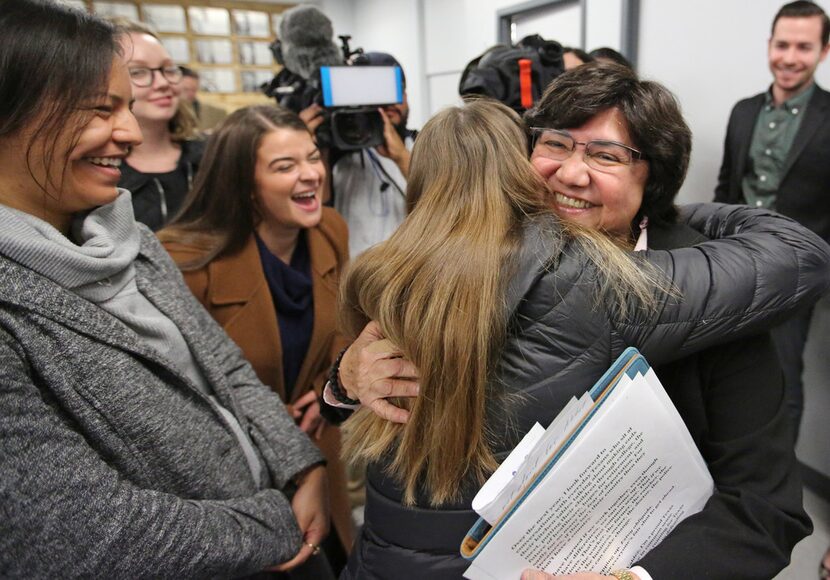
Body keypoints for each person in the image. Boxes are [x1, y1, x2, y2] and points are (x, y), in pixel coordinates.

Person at [324, 95, 829, 579]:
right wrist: (345, 379)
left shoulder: (707, 305)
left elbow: (763, 510)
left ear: (651, 178)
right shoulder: (479, 273)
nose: (570, 173)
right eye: (555, 145)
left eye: (606, 155)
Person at [0, 2, 327, 577]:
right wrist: (277, 521)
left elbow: (223, 368)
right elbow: (85, 535)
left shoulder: (132, 239)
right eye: (102, 110)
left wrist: (302, 465)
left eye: (126, 108)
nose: (128, 133)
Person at [158, 105, 354, 575]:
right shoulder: (183, 261)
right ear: (243, 184)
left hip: (318, 450)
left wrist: (331, 384)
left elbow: (345, 324)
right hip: (233, 476)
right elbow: (172, 390)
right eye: (285, 167)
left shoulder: (330, 229)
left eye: (312, 157)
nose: (311, 175)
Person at [715, 0, 830, 442]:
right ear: (769, 45)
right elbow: (727, 188)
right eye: (782, 44)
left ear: (822, 52)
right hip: (736, 263)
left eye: (804, 46)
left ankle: (777, 496)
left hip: (797, 275)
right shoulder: (744, 111)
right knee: (725, 371)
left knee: (783, 380)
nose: (789, 57)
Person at [116, 20, 205, 231]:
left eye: (168, 69)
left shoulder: (211, 156)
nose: (163, 83)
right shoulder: (96, 176)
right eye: (138, 72)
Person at [327, 51, 416, 258]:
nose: (389, 103)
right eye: (378, 94)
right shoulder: (340, 154)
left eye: (397, 91)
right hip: (354, 282)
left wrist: (401, 157)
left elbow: (445, 202)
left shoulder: (426, 146)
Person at [179, 66, 229, 133]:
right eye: (186, 90)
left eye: (194, 90)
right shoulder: (169, 113)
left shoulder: (214, 114)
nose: (190, 94)